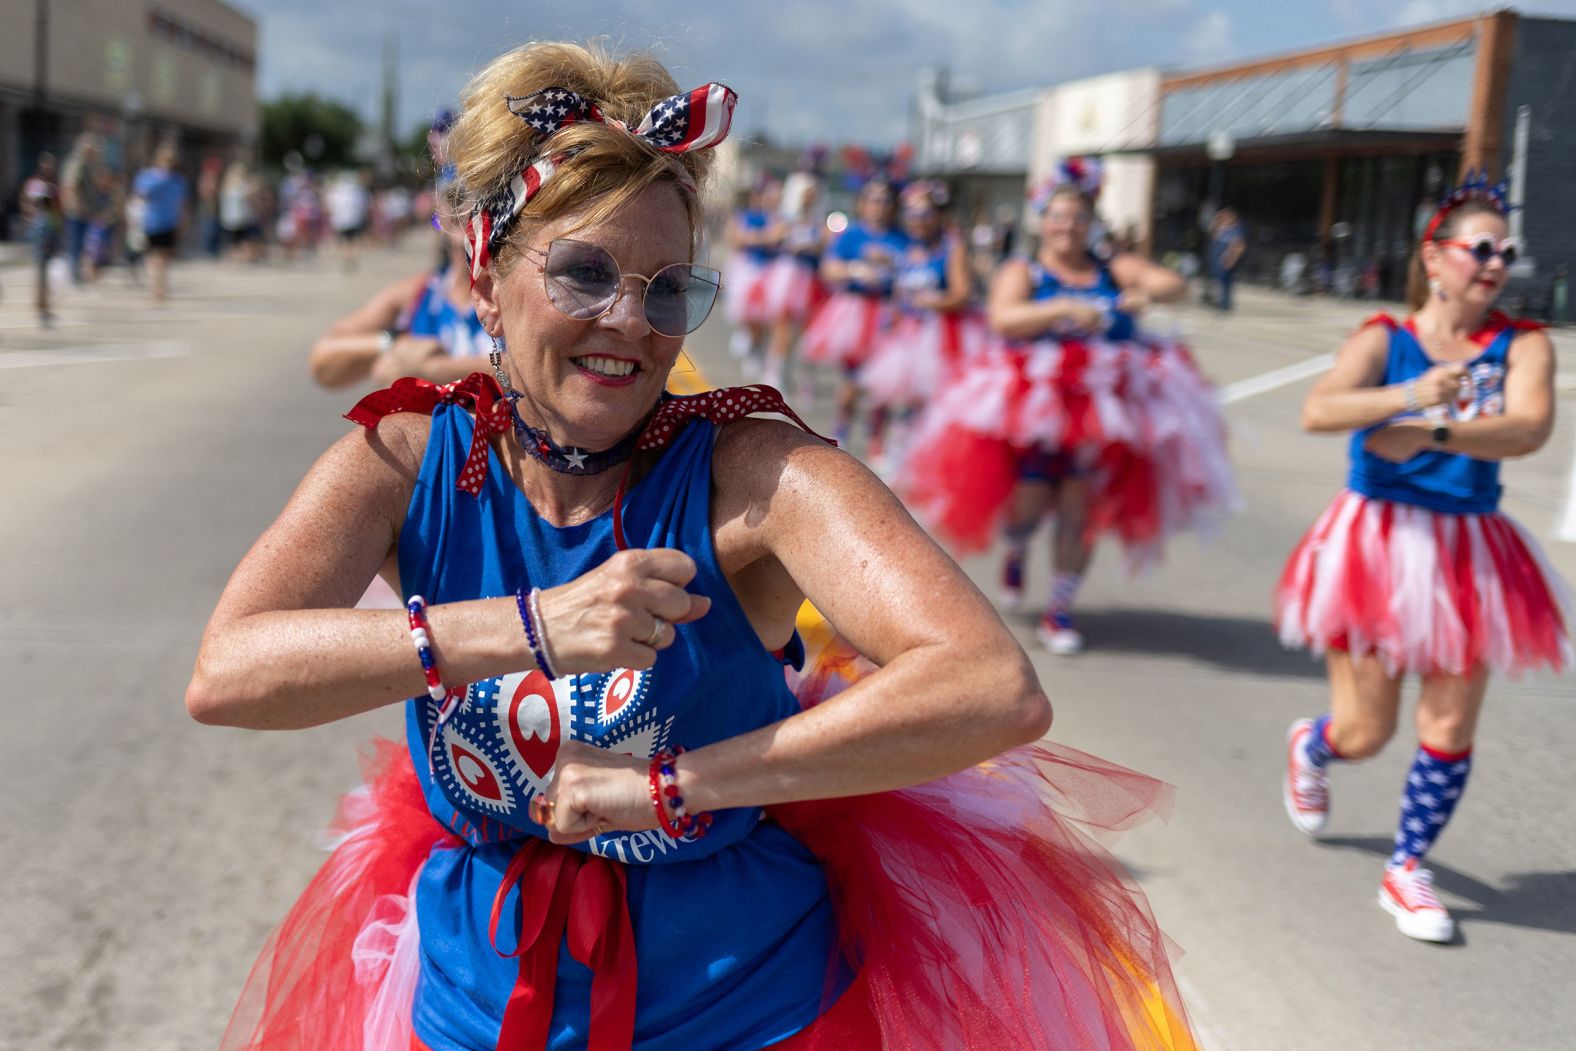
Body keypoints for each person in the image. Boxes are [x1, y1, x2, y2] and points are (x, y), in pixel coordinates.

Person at [194, 42, 1195, 1050]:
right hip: (470, 1003)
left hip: (747, 1010)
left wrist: (672, 788)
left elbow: (989, 687)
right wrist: (530, 625)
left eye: (668, 289)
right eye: (584, 273)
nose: (629, 322)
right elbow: (227, 672)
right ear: (486, 277)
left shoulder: (751, 472)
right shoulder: (411, 459)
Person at [1277, 172, 1570, 943]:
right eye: (1480, 248)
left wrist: (1436, 431)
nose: (1495, 262)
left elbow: (1529, 428)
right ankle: (1312, 745)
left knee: (1447, 718)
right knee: (1366, 731)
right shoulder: (1383, 337)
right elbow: (1320, 410)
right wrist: (1408, 397)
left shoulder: (1522, 343)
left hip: (1471, 543)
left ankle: (1407, 867)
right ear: (1435, 259)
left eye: (1505, 250)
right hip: (1378, 544)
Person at [901, 159, 1236, 655]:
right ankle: (1016, 547)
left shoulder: (1110, 267)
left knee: (1081, 505)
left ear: (1091, 222)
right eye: (1057, 216)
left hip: (1102, 408)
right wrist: (1060, 309)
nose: (1067, 226)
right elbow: (1004, 316)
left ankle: (1060, 605)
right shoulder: (1025, 269)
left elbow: (1175, 285)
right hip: (1032, 407)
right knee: (1029, 504)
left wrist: (1143, 293)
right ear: (1042, 219)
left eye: (1077, 218)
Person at [857, 180, 978, 471]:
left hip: (938, 335)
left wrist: (931, 301)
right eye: (910, 213)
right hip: (905, 332)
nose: (916, 220)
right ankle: (886, 448)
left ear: (939, 215)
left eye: (924, 213)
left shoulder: (953, 248)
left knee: (926, 402)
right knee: (888, 395)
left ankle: (917, 459)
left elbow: (962, 295)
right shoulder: (908, 247)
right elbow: (899, 289)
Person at [309, 198, 492, 389]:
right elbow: (324, 361)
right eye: (455, 196)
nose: (467, 206)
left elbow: (524, 372)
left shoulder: (514, 294)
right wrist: (392, 343)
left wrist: (438, 369)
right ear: (440, 213)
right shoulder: (418, 293)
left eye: (485, 193)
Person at [799, 179, 906, 453]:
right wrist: (858, 269)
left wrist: (891, 265)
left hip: (888, 313)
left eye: (885, 201)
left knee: (883, 383)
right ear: (863, 203)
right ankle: (842, 428)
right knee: (852, 380)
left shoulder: (901, 238)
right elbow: (828, 269)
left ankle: (876, 440)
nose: (879, 206)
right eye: (873, 199)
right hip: (855, 314)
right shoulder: (851, 235)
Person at [758, 171, 826, 393]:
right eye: (807, 194)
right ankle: (775, 375)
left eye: (813, 194)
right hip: (786, 276)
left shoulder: (817, 220)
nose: (810, 198)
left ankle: (788, 373)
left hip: (807, 277)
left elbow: (824, 246)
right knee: (782, 327)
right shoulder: (784, 217)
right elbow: (770, 239)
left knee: (801, 331)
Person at [723, 181, 782, 373]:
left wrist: (758, 237)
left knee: (762, 316)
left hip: (767, 271)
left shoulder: (774, 217)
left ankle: (756, 348)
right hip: (745, 270)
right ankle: (750, 340)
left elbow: (778, 238)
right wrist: (764, 237)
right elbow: (737, 239)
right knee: (745, 311)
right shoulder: (741, 216)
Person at [132, 142, 189, 304]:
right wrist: (183, 223)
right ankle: (161, 288)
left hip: (152, 222)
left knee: (152, 258)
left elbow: (139, 197)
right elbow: (183, 206)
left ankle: (155, 289)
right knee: (164, 258)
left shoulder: (147, 177)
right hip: (167, 223)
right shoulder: (178, 180)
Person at [19, 153, 63, 327]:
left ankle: (45, 304)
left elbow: (59, 210)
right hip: (41, 231)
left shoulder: (53, 186)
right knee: (42, 270)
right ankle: (41, 306)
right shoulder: (36, 184)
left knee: (48, 270)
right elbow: (27, 204)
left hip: (52, 230)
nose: (49, 169)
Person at [59, 132, 105, 284]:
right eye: (93, 150)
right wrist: (78, 207)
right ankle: (73, 275)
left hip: (84, 211)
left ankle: (77, 273)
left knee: (82, 243)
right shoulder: (76, 163)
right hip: (77, 211)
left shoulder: (86, 164)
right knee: (75, 243)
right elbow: (70, 187)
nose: (95, 154)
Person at [219, 159, 263, 263]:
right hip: (239, 218)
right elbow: (252, 198)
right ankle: (241, 258)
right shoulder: (241, 187)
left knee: (237, 242)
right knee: (242, 241)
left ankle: (239, 259)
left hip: (232, 219)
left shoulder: (226, 187)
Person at [1208, 207, 1244, 312]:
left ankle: (1224, 305)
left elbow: (1238, 245)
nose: (1222, 218)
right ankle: (1222, 303)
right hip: (1218, 260)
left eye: (1224, 216)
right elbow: (1214, 236)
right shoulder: (1221, 228)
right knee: (1219, 283)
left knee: (1225, 284)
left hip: (1226, 259)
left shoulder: (1235, 229)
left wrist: (1231, 258)